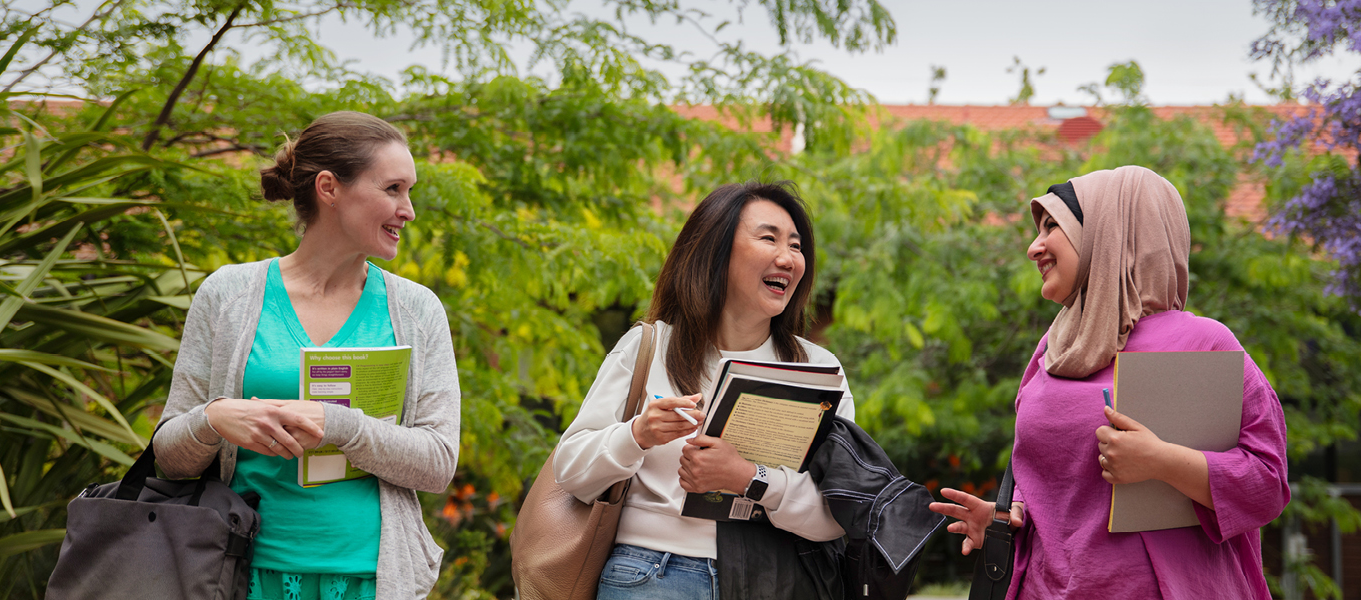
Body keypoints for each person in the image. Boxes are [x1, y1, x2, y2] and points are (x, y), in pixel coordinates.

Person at [929, 166, 1289, 599]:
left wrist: (1161, 461)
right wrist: (1007, 517)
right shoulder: (1053, 348)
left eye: (1052, 226)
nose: (1033, 247)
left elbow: (1267, 484)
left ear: (1110, 234)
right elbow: (1043, 478)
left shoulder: (1206, 343)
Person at [154, 111, 459, 599]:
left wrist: (337, 424)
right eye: (393, 189)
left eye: (409, 191)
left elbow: (439, 463)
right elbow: (170, 458)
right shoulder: (229, 295)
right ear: (329, 187)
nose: (409, 209)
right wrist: (214, 419)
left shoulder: (417, 311)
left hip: (371, 579)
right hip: (241, 573)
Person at [552, 181, 855, 599]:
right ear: (716, 251)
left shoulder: (819, 369)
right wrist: (637, 435)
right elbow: (570, 472)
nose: (787, 258)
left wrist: (750, 477)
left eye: (796, 246)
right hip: (649, 576)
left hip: (778, 580)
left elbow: (838, 511)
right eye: (768, 238)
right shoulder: (649, 347)